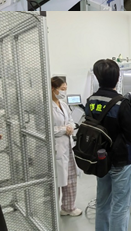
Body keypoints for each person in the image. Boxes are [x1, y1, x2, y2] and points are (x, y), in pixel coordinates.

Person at [85, 59, 131, 231]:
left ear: (97, 77)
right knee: (120, 205)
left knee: (102, 202)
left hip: (100, 158)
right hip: (120, 159)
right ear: (117, 78)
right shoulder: (121, 102)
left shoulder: (91, 100)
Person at [51, 76, 81, 217]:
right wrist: (64, 129)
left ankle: (68, 208)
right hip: (55, 148)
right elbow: (46, 129)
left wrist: (70, 127)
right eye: (62, 89)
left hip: (67, 146)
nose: (64, 92)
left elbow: (71, 121)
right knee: (55, 181)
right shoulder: (46, 107)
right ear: (53, 88)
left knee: (70, 178)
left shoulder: (63, 105)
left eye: (65, 89)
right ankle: (52, 212)